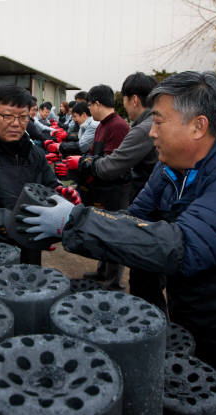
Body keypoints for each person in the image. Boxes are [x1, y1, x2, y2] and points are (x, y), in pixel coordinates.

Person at [21, 71, 216, 415]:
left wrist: (76, 224)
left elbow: (178, 247)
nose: (151, 133)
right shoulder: (171, 170)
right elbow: (137, 222)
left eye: (160, 122)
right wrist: (80, 218)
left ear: (198, 126)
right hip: (195, 312)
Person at [56, 73, 164, 305]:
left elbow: (113, 164)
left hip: (122, 190)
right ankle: (104, 272)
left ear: (134, 99)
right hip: (115, 188)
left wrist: (83, 163)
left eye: (123, 99)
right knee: (105, 230)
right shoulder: (112, 126)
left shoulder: (128, 126)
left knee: (119, 235)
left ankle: (115, 281)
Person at [0, 84, 78, 265]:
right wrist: (22, 224)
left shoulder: (34, 153)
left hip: (31, 246)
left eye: (23, 117)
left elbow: (49, 185)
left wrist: (60, 194)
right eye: (7, 116)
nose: (16, 123)